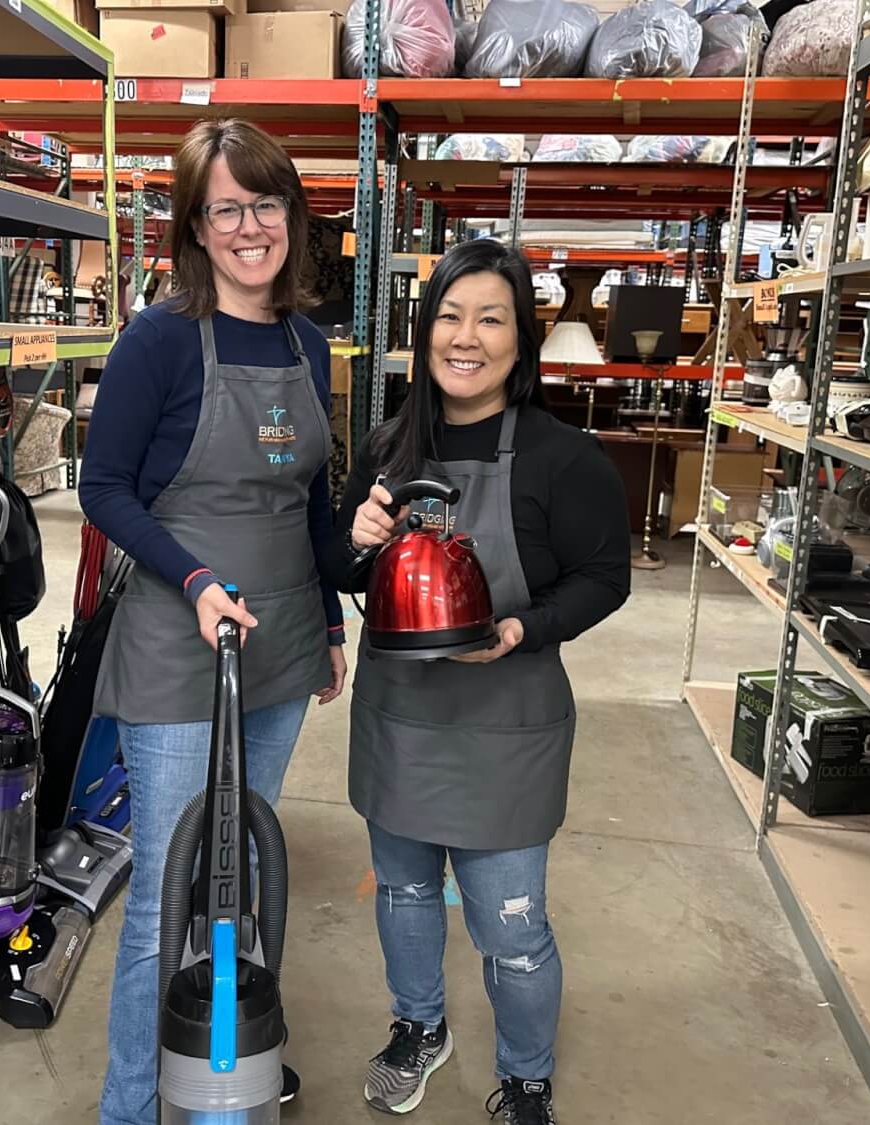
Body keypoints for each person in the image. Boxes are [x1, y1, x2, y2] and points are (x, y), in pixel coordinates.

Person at [325, 238, 632, 1124]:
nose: (468, 337)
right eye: (450, 317)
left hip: (508, 726)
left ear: (520, 339)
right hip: (401, 718)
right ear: (424, 335)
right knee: (407, 895)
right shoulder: (388, 444)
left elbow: (603, 577)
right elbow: (347, 571)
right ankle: (420, 1026)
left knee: (510, 925)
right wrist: (359, 537)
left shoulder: (561, 457)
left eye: (491, 318)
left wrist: (520, 628)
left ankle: (526, 1073)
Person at [79, 118, 347, 1125]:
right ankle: (130, 1106)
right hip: (177, 641)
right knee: (166, 892)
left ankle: (217, 1086)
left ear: (291, 215)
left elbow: (313, 504)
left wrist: (323, 622)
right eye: (224, 207)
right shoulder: (155, 340)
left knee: (238, 887)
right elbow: (105, 490)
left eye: (264, 203)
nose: (248, 226)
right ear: (194, 226)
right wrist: (193, 581)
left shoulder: (306, 342)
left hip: (276, 646)